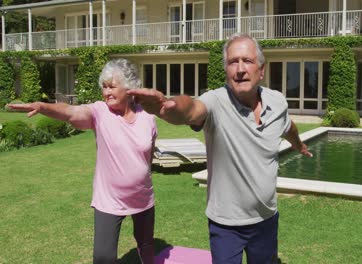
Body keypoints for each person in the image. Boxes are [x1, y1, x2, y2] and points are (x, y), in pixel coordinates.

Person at [128, 33, 312, 264]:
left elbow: (288, 126)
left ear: (262, 70)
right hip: (226, 225)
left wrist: (298, 144)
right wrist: (169, 107)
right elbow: (191, 109)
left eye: (248, 61)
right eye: (233, 62)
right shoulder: (215, 101)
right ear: (226, 70)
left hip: (266, 219)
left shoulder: (277, 102)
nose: (240, 69)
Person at [8, 59, 156, 264]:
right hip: (109, 200)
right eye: (104, 87)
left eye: (112, 87)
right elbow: (71, 112)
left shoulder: (147, 116)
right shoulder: (100, 112)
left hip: (142, 197)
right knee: (103, 257)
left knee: (147, 247)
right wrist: (43, 107)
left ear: (129, 88)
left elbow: (149, 152)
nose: (106, 92)